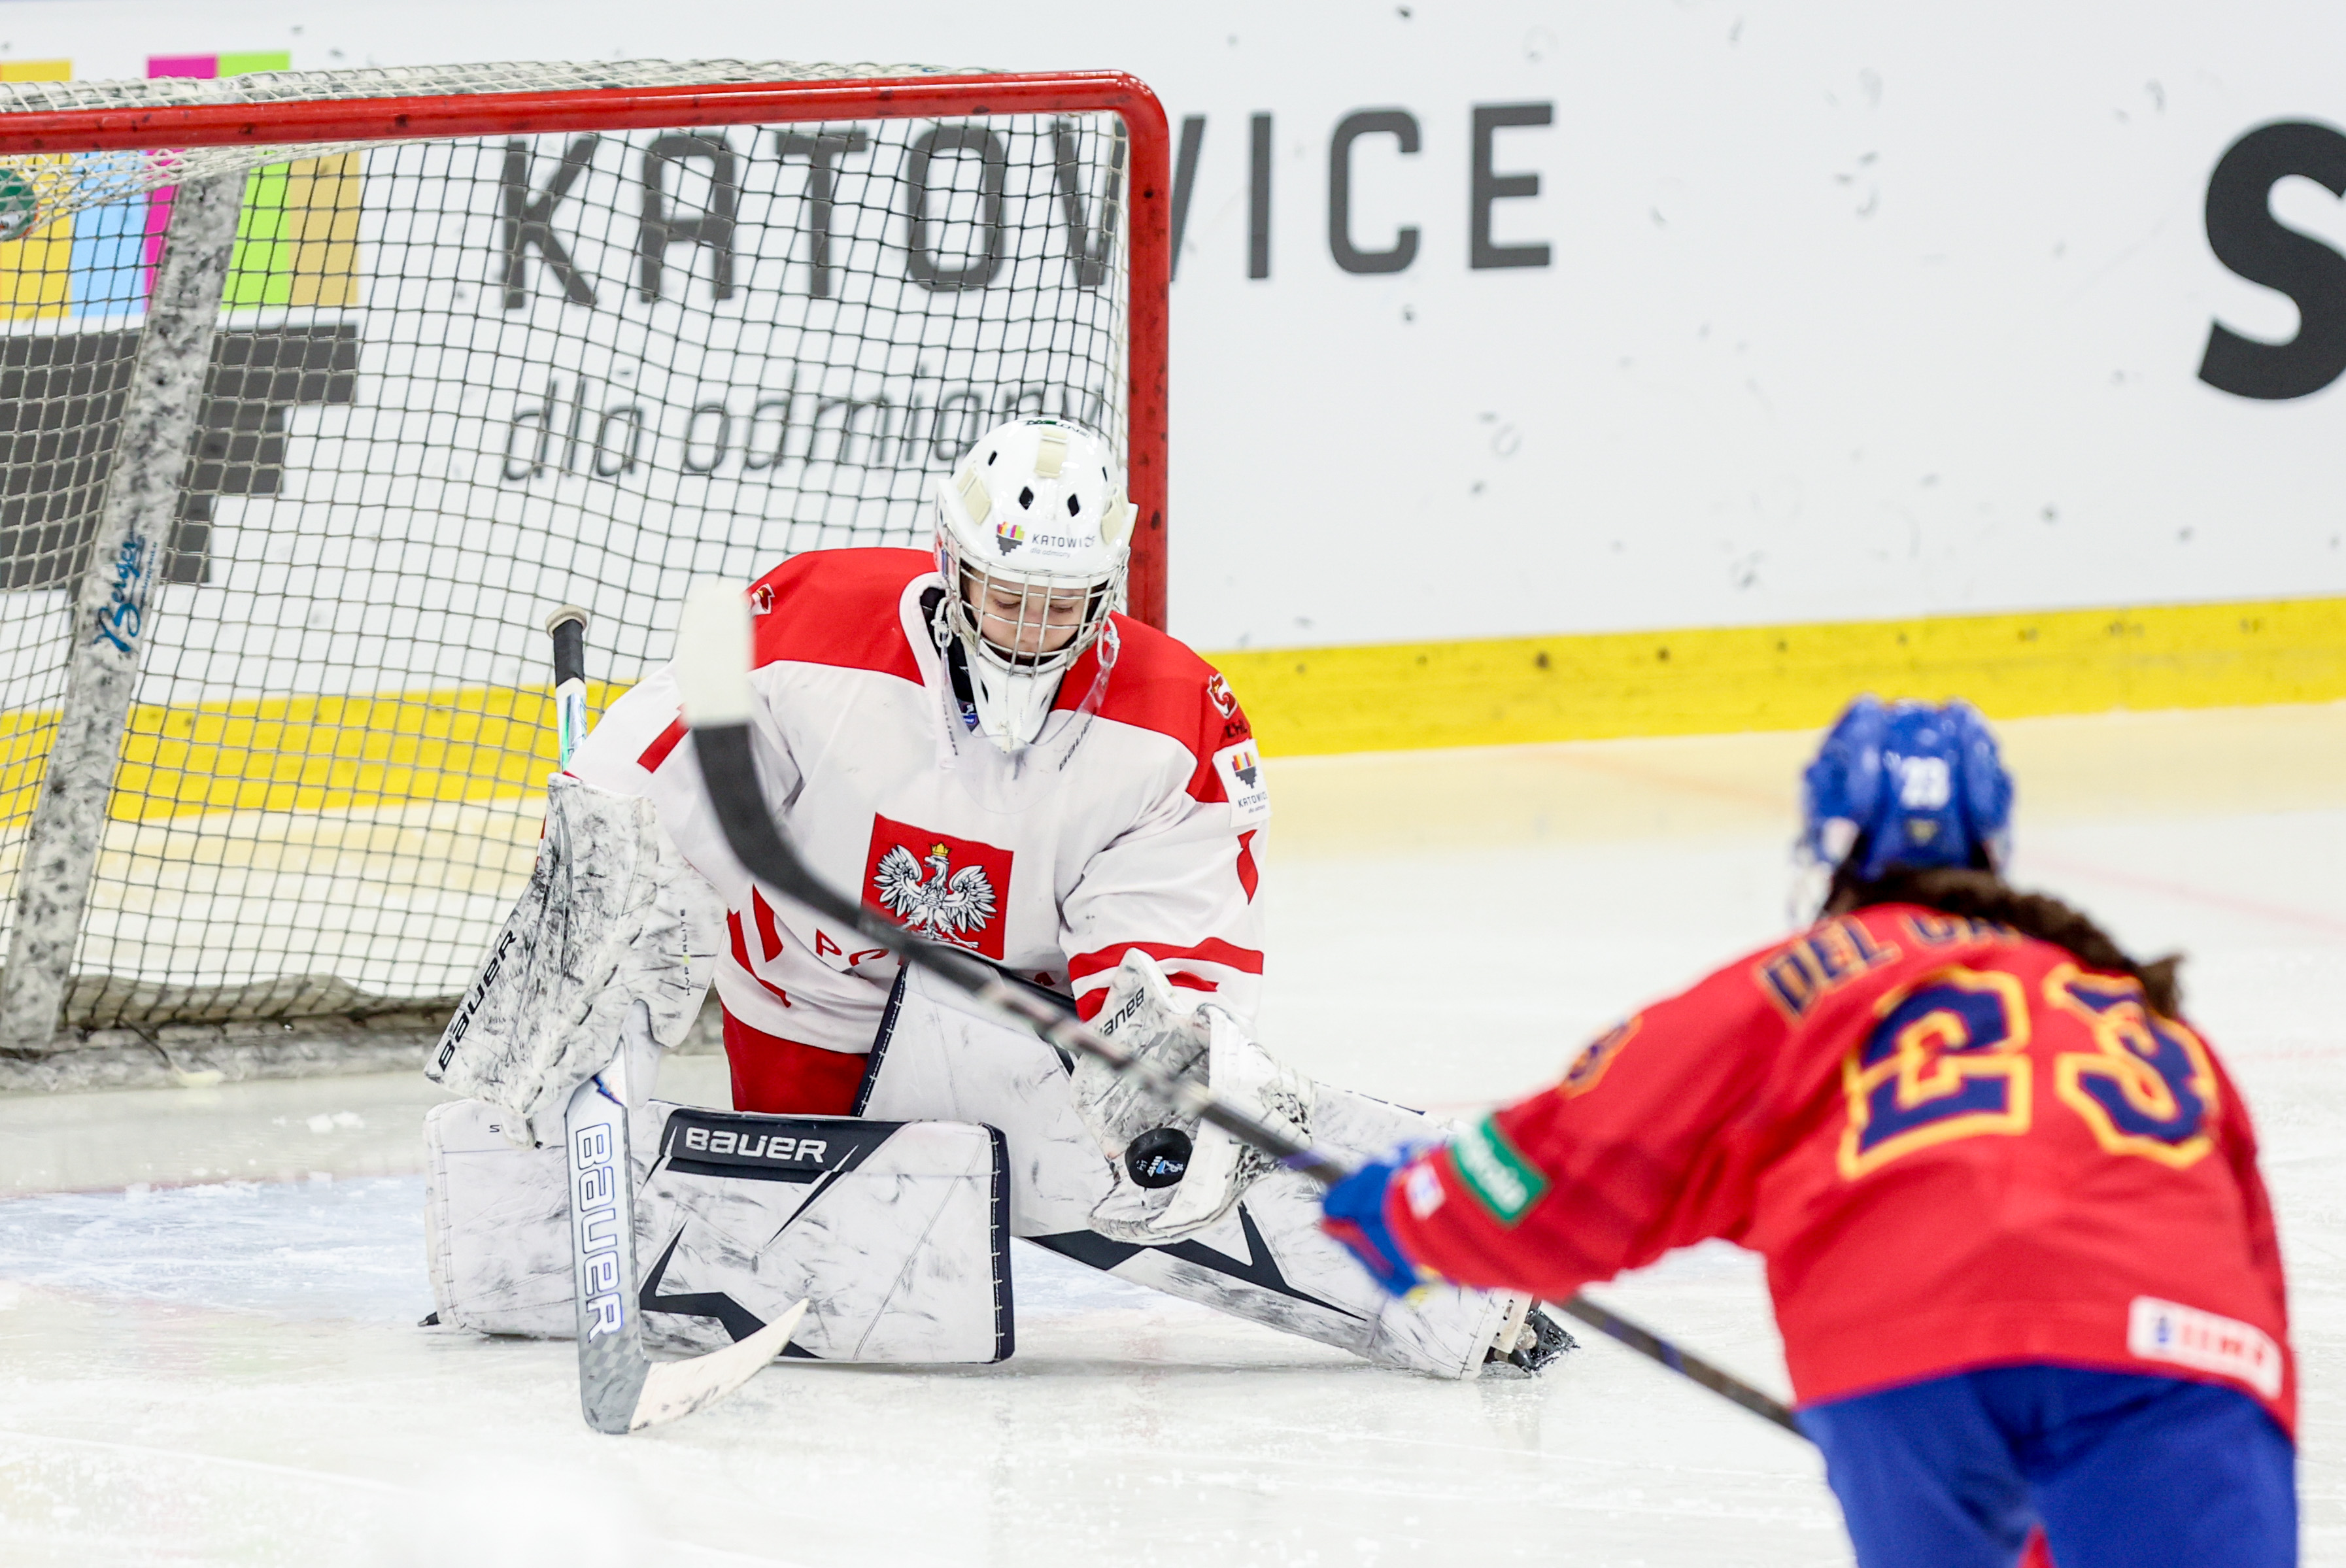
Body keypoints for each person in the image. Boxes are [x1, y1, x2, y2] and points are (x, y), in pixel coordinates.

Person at [428, 415, 1565, 1381]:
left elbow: (1163, 960)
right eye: (1006, 593)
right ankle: (514, 1237)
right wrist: (600, 876)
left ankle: (1460, 1276)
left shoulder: (1176, 721)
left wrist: (1161, 1057)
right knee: (818, 1257)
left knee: (1170, 1133)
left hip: (1003, 1020)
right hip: (803, 999)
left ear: (1105, 593)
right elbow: (650, 774)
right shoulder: (812, 621)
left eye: (1059, 603)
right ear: (950, 563)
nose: (1028, 628)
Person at [1321, 696, 2297, 1565]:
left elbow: (1584, 1151)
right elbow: (2251, 1254)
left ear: (1830, 849)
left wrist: (1413, 1212)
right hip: (2182, 1347)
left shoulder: (1806, 981)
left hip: (1907, 1355)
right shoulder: (2135, 1012)